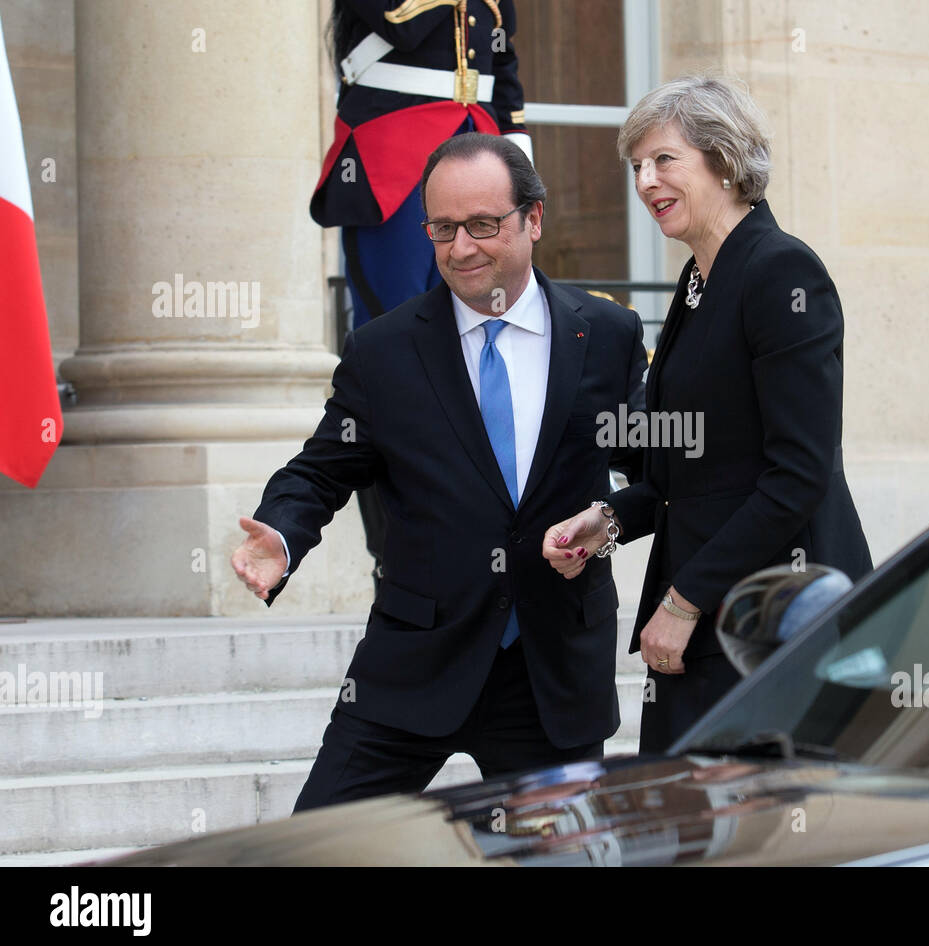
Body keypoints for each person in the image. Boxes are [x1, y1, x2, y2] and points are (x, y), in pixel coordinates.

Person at [232, 133, 647, 810]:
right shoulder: (382, 352)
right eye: (443, 228)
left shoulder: (606, 336)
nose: (460, 249)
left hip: (550, 673)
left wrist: (610, 522)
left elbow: (654, 472)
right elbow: (321, 469)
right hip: (414, 663)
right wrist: (280, 535)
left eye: (484, 225)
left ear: (533, 219)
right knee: (316, 852)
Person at [541, 74, 872, 754]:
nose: (645, 181)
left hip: (776, 620)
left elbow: (798, 473)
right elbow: (681, 477)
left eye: (664, 160)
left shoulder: (782, 272)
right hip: (708, 619)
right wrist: (606, 522)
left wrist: (683, 601)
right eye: (637, 166)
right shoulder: (697, 284)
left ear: (722, 161)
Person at [314, 0, 532, 586]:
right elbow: (399, 23)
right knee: (396, 354)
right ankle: (398, 546)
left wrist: (518, 162)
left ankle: (490, 522)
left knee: (493, 337)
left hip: (480, 146)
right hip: (395, 150)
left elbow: (503, 72)